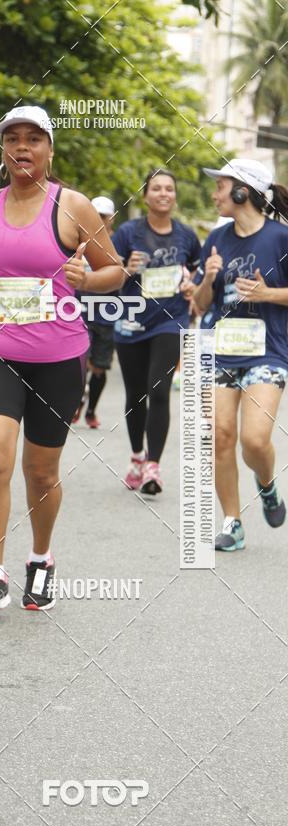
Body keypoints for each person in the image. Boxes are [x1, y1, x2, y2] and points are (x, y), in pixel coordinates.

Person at [0, 105, 123, 621]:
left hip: (59, 358)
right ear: (2, 151)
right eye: (12, 140)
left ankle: (41, 559)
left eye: (33, 139)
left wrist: (87, 281)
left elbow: (112, 270)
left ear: (49, 150)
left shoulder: (72, 208)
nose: (22, 148)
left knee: (41, 472)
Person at [193, 158, 288, 551]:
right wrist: (210, 277)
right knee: (220, 435)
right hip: (220, 349)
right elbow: (198, 304)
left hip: (268, 351)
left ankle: (266, 484)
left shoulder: (281, 239)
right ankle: (232, 522)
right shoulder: (215, 239)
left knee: (253, 439)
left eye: (222, 186)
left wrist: (267, 294)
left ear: (241, 191)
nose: (215, 194)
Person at [112, 168, 201, 495]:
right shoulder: (126, 233)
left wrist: (193, 283)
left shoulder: (187, 236)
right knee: (135, 394)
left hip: (170, 320)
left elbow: (198, 269)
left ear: (174, 196)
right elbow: (105, 276)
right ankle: (137, 456)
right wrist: (126, 269)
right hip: (131, 320)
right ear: (145, 195)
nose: (164, 193)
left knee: (158, 391)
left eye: (169, 189)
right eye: (157, 188)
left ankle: (153, 466)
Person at [73, 195, 117, 428]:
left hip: (108, 314)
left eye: (102, 216)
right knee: (79, 362)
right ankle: (76, 402)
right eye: (95, 215)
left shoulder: (118, 243)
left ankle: (90, 410)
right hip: (79, 313)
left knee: (99, 367)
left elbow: (125, 277)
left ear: (110, 219)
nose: (98, 220)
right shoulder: (77, 240)